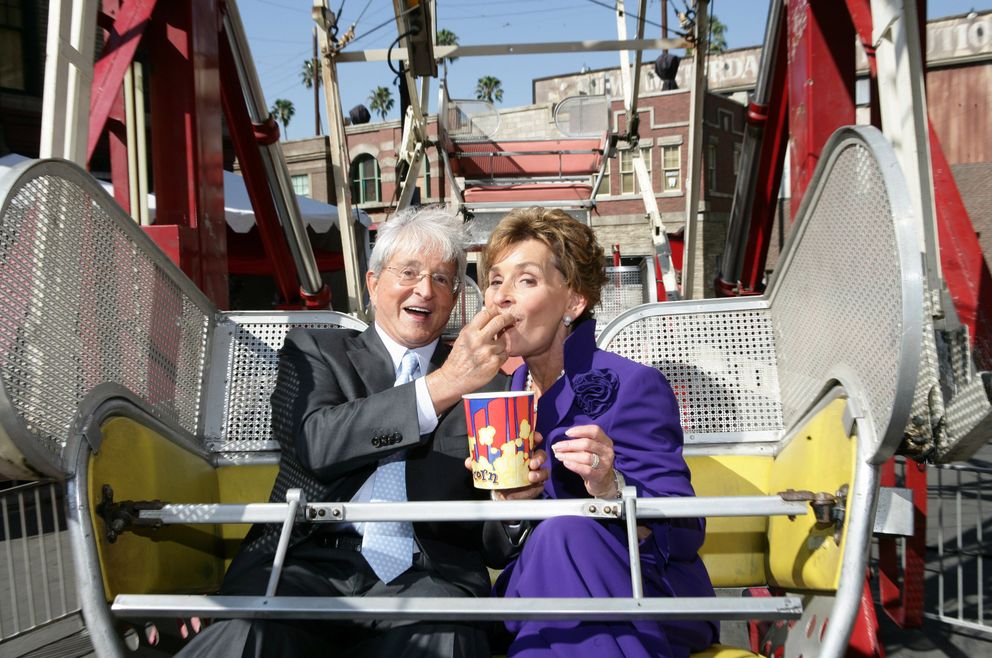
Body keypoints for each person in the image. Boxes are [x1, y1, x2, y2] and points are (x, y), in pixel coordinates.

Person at [179, 206, 541, 658]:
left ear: (454, 300)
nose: (425, 290)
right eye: (408, 272)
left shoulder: (494, 388)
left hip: (428, 577)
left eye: (442, 279)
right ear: (373, 285)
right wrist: (441, 387)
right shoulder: (316, 352)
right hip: (305, 565)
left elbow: (492, 545)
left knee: (448, 639)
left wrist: (510, 510)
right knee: (248, 635)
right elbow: (317, 443)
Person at [479, 207, 718, 658]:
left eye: (525, 280)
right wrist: (510, 508)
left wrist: (611, 489)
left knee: (565, 535)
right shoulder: (503, 396)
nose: (501, 298)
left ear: (573, 301)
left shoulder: (633, 384)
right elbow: (497, 550)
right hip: (542, 591)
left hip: (645, 593)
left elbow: (686, 531)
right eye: (495, 281)